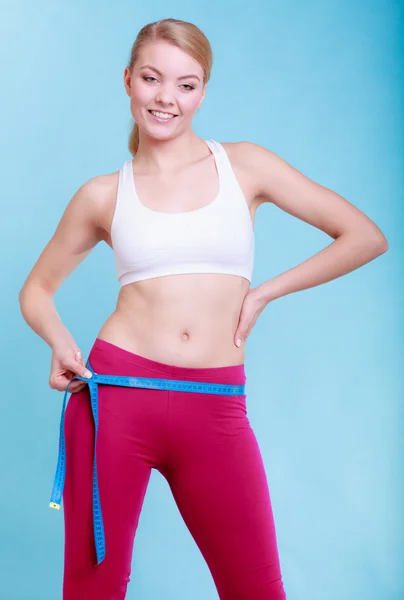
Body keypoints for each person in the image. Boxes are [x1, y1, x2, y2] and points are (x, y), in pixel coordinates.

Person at [18, 17, 388, 600]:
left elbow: (363, 236)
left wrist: (266, 291)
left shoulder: (245, 166)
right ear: (128, 81)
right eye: (152, 78)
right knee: (92, 591)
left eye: (186, 84)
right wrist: (59, 340)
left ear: (203, 92)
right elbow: (35, 290)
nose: (167, 97)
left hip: (215, 405)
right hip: (116, 398)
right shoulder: (102, 194)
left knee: (256, 590)